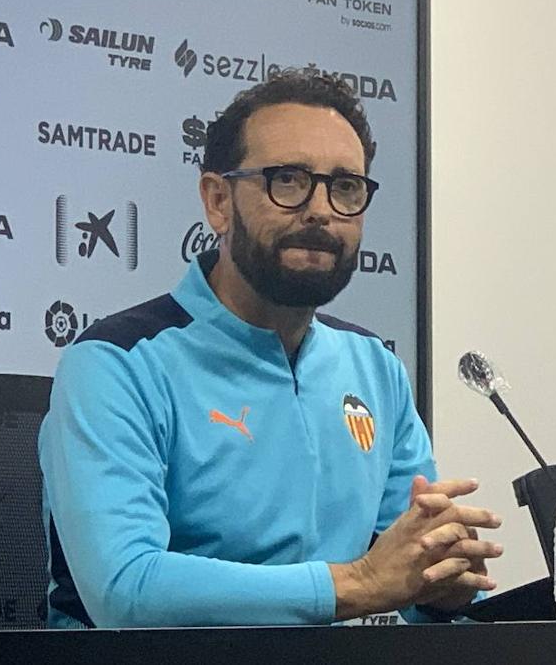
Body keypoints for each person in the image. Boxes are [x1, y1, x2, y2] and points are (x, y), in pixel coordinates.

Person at [38, 71, 501, 628]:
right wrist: (359, 583)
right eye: (288, 180)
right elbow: (125, 591)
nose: (321, 209)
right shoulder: (117, 363)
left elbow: (403, 577)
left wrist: (438, 586)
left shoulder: (375, 366)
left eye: (346, 186)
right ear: (217, 201)